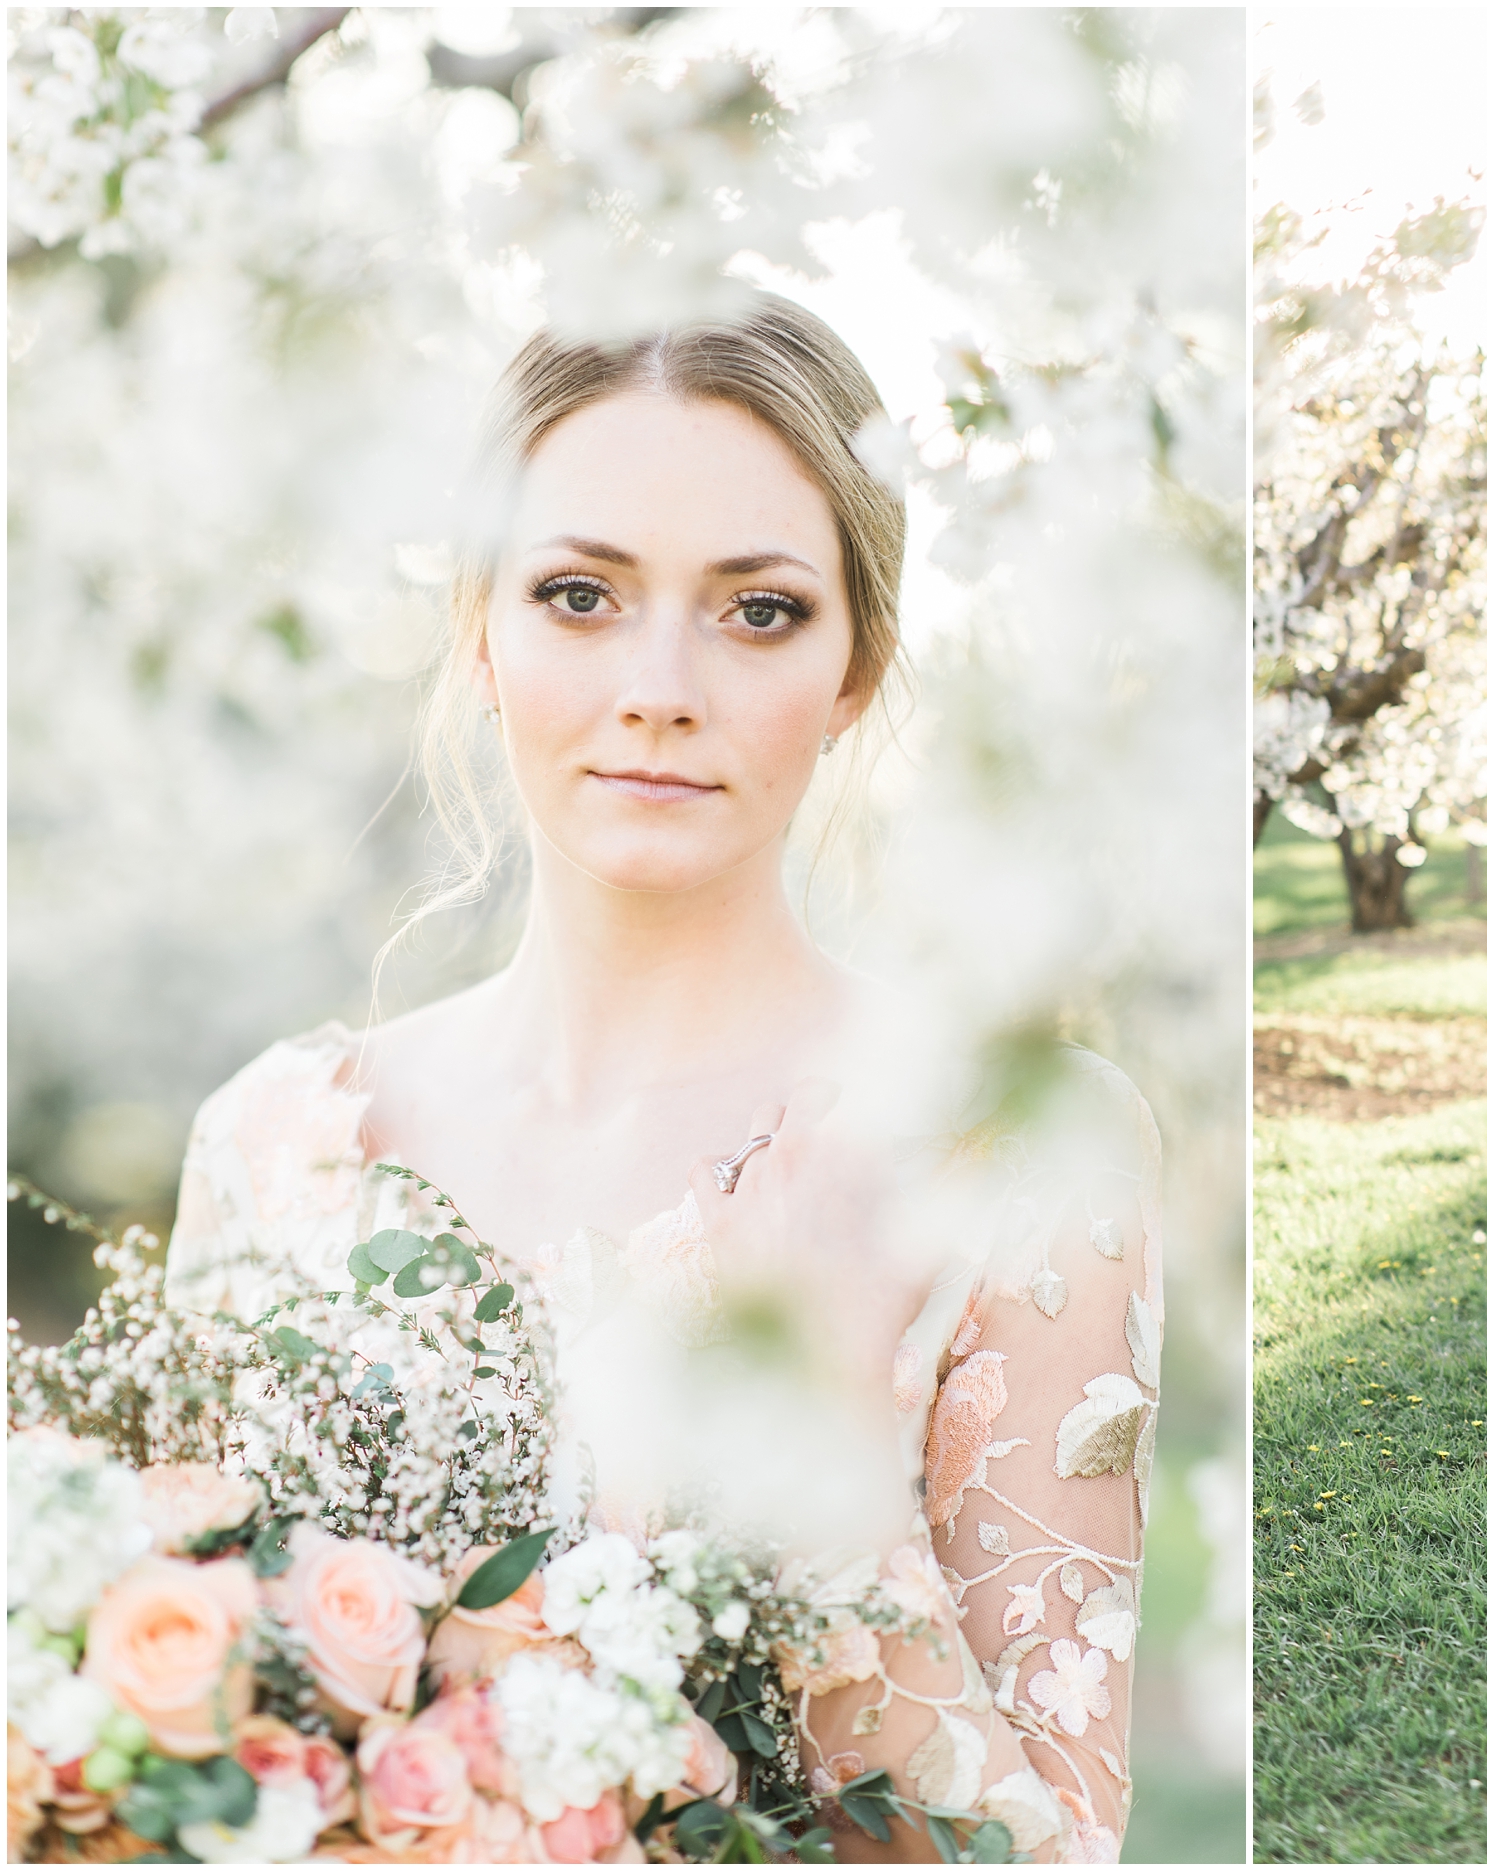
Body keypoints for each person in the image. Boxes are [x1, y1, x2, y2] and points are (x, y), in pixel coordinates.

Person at [164, 296, 1157, 1860]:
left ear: (855, 667)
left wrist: (811, 1444)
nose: (661, 685)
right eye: (579, 594)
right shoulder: (269, 1145)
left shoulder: (1014, 1148)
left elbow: (1057, 1845)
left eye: (759, 609)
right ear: (481, 633)